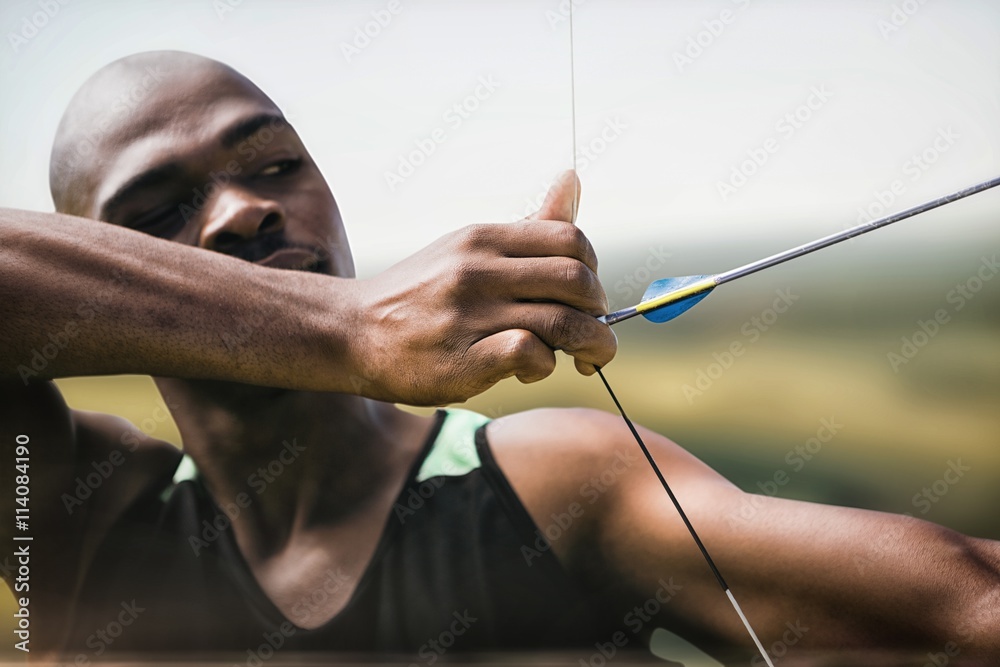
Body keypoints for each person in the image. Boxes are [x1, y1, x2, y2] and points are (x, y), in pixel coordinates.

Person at [0, 51, 997, 665]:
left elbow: (964, 604)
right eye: (157, 211)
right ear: (98, 266)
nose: (246, 208)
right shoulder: (79, 518)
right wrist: (348, 328)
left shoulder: (551, 483)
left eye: (274, 165)